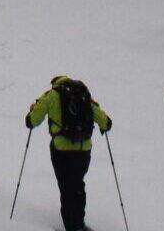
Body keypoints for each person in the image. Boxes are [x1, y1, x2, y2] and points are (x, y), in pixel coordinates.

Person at [24, 75, 112, 231]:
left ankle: (72, 227)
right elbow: (105, 121)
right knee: (77, 184)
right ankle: (79, 223)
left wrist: (30, 116)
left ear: (55, 82)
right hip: (84, 150)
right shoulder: (82, 95)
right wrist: (105, 124)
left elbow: (33, 120)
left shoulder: (51, 94)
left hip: (62, 151)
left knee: (66, 188)